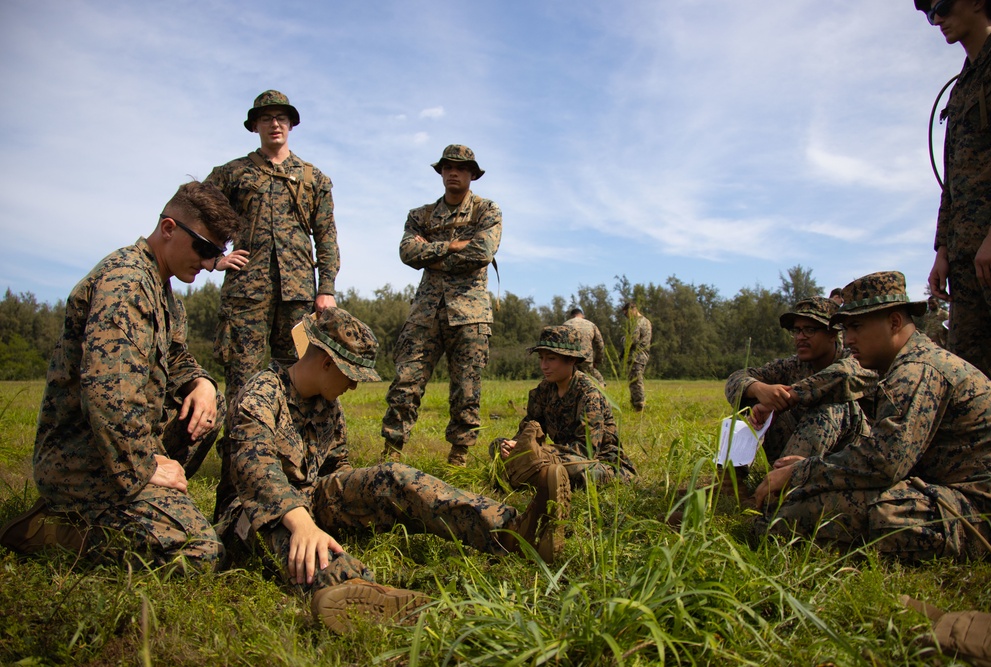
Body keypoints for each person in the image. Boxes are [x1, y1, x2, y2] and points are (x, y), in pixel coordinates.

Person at [216, 308, 570, 633]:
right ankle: (348, 590)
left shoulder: (328, 406)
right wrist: (302, 523)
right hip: (252, 515)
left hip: (310, 500)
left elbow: (339, 468)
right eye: (349, 374)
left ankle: (512, 532)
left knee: (391, 477)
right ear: (326, 362)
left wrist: (364, 493)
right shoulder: (260, 396)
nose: (353, 385)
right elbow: (256, 470)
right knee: (292, 535)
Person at [0, 182, 238, 568]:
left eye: (217, 253)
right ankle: (53, 528)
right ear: (168, 229)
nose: (209, 262)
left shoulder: (164, 293)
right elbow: (107, 393)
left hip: (119, 448)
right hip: (83, 458)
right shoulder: (125, 284)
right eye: (205, 248)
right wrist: (144, 467)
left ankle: (144, 501)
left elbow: (176, 357)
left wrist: (203, 383)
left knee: (207, 404)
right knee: (199, 553)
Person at [754, 271, 991, 562]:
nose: (849, 338)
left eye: (856, 326)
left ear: (894, 322)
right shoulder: (905, 363)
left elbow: (884, 462)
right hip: (944, 489)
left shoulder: (918, 369)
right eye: (846, 328)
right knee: (805, 505)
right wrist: (811, 469)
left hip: (981, 513)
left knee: (802, 515)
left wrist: (801, 472)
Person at [206, 90, 339, 409]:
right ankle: (238, 457)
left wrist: (327, 289)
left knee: (300, 376)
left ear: (291, 124)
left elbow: (326, 236)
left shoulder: (313, 179)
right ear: (255, 126)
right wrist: (213, 258)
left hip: (298, 295)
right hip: (247, 292)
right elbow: (195, 210)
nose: (274, 124)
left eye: (281, 118)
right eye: (266, 118)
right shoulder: (232, 173)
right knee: (242, 378)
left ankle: (294, 455)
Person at [380, 145, 502, 466]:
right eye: (447, 167)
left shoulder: (486, 211)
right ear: (441, 172)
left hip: (470, 315)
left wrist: (432, 258)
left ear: (472, 174)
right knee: (406, 381)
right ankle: (392, 451)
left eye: (460, 168)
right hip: (425, 313)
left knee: (466, 389)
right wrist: (451, 245)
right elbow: (407, 253)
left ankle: (458, 457)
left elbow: (481, 253)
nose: (452, 172)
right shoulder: (420, 216)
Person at [918, 0, 991, 390]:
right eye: (928, 12)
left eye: (943, 6)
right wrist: (943, 251)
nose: (936, 19)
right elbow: (952, 179)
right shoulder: (962, 85)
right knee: (971, 382)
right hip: (968, 259)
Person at [724, 297, 871, 467]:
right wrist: (758, 388)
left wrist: (790, 396)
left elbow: (844, 375)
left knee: (831, 404)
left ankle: (782, 485)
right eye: (796, 330)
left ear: (832, 334)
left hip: (850, 457)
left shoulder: (856, 358)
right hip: (802, 449)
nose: (800, 337)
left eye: (809, 330)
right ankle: (732, 479)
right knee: (753, 401)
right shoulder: (792, 365)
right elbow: (736, 378)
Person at [490, 326, 636, 491]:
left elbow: (586, 450)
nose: (544, 366)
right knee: (497, 445)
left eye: (551, 359)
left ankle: (531, 475)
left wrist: (542, 452)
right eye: (541, 358)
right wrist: (515, 445)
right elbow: (529, 427)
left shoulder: (588, 394)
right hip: (559, 456)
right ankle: (533, 474)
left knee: (569, 469)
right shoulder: (544, 390)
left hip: (598, 463)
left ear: (571, 360)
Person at [562, 307, 606, 386]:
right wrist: (597, 361)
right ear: (582, 315)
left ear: (572, 316)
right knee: (597, 382)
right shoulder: (591, 325)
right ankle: (600, 396)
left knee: (571, 383)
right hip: (586, 360)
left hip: (570, 360)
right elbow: (600, 345)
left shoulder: (565, 324)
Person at [621, 302, 652, 411]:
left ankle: (639, 405)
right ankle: (636, 404)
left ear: (632, 310)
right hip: (643, 355)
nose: (626, 317)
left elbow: (633, 340)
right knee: (636, 381)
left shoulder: (636, 323)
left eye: (626, 314)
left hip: (636, 356)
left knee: (635, 382)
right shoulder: (646, 321)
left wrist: (624, 339)